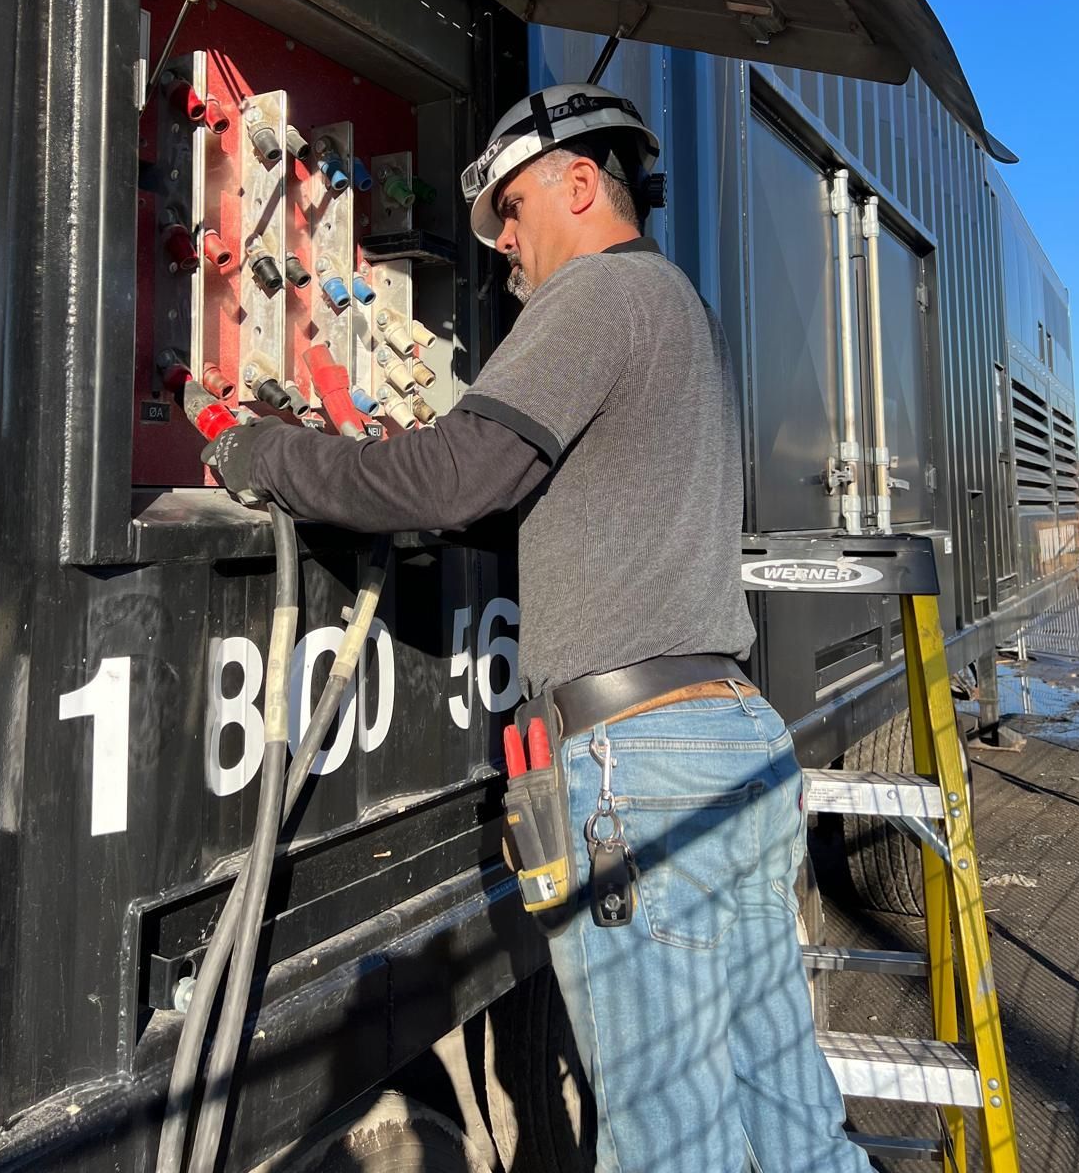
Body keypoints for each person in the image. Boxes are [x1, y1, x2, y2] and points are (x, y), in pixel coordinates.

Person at [205, 84, 871, 1173]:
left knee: (674, 1145)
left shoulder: (599, 296)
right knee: (793, 1125)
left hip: (644, 767)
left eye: (511, 208)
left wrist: (262, 452)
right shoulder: (675, 309)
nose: (504, 243)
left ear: (577, 183)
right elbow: (517, 494)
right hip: (731, 744)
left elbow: (458, 476)